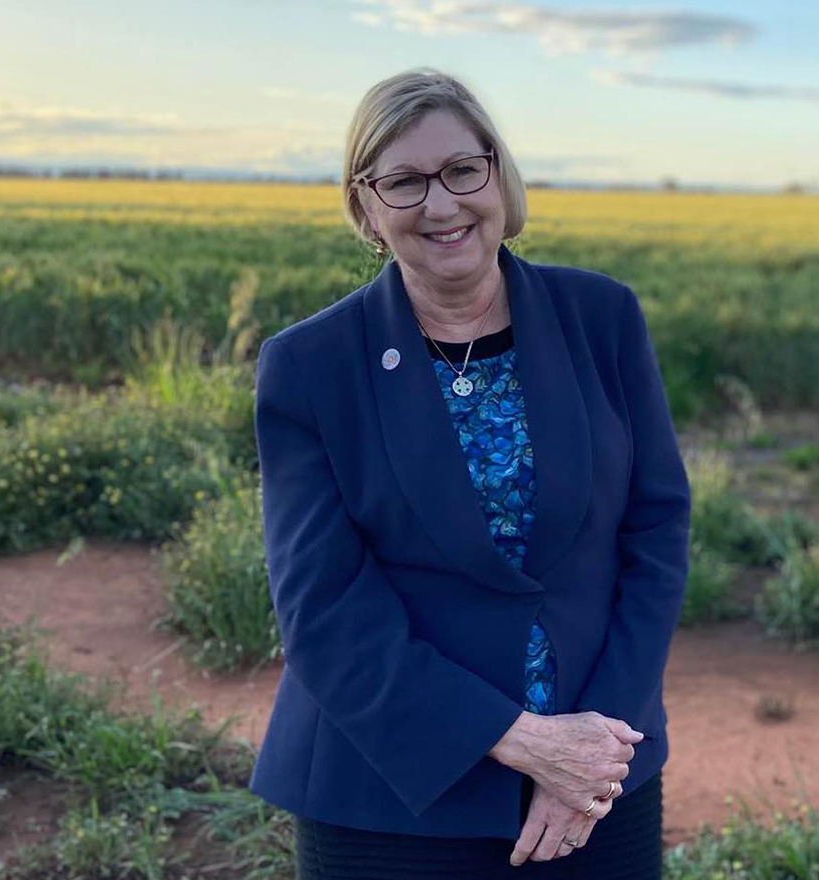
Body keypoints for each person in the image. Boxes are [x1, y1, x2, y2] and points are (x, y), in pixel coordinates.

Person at [246, 67, 690, 878]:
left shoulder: (603, 318)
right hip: (389, 791)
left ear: (498, 175)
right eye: (404, 182)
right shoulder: (310, 365)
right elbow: (324, 605)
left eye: (460, 170)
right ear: (366, 207)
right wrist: (522, 741)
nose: (442, 204)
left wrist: (592, 748)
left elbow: (656, 530)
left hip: (598, 769)